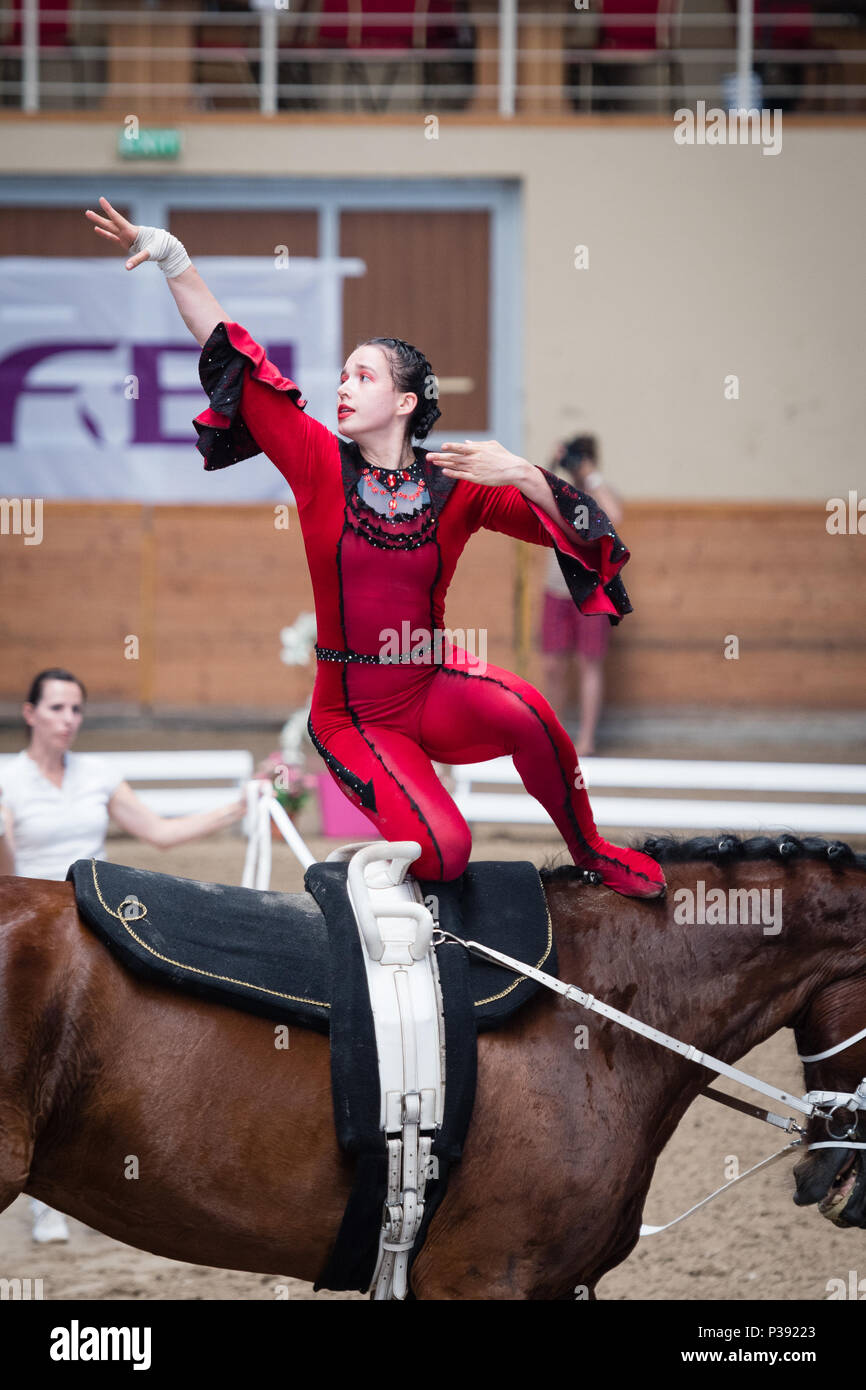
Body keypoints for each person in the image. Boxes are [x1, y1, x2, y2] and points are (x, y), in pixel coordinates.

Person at [83, 197, 665, 901]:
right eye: (343, 375)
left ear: (407, 401)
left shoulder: (458, 484)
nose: (343, 385)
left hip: (432, 683)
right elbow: (235, 352)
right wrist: (174, 260)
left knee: (535, 716)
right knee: (447, 854)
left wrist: (523, 473)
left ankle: (591, 850)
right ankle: (365, 882)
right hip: (352, 713)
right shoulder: (317, 461)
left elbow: (588, 530)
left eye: (364, 376)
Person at [0, 667, 247, 1242]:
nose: (68, 720)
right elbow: (6, 876)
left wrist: (237, 808)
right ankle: (40, 1193)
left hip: (88, 923)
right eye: (57, 708)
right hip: (30, 935)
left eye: (77, 710)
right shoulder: (6, 778)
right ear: (31, 714)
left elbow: (159, 833)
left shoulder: (98, 774)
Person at [540, 436, 622, 756]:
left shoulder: (600, 493)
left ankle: (586, 739)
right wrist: (552, 463)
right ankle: (555, 734)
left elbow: (615, 513)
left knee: (589, 663)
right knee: (551, 665)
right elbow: (528, 499)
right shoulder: (560, 493)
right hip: (556, 590)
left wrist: (590, 475)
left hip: (592, 591)